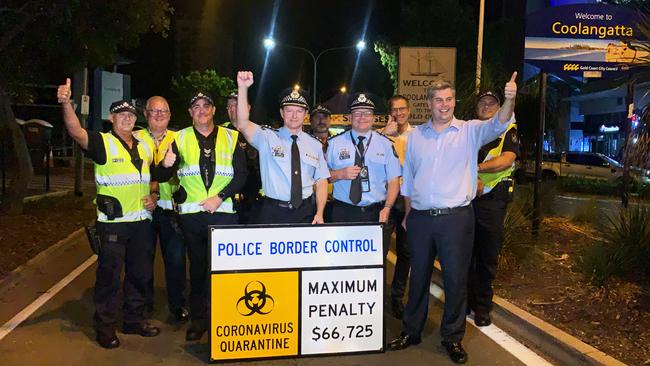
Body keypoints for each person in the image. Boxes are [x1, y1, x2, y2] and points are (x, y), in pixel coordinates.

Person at [388, 73, 518, 365]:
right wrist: (408, 214)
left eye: (448, 99)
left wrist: (509, 99)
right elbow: (408, 179)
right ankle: (412, 331)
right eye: (438, 100)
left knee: (456, 280)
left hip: (456, 219)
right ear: (430, 103)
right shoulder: (417, 135)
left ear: (454, 102)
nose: (444, 105)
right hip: (420, 218)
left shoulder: (470, 131)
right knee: (418, 276)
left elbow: (500, 123)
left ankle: (452, 338)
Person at [57, 79, 160, 349]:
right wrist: (67, 103)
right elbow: (75, 130)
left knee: (140, 275)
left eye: (130, 115)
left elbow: (153, 177)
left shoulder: (144, 145)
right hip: (113, 225)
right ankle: (105, 327)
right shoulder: (103, 143)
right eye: (121, 115)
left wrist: (155, 195)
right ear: (112, 118)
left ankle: (134, 320)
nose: (126, 119)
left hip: (141, 223)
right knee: (109, 278)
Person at [159, 92, 248, 341]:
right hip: (192, 217)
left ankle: (225, 320)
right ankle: (198, 322)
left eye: (205, 106)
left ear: (213, 110)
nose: (201, 110)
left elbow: (241, 175)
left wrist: (219, 197)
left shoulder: (231, 137)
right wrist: (166, 165)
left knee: (224, 272)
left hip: (224, 215)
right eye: (195, 106)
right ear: (190, 112)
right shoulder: (180, 138)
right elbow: (163, 175)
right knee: (197, 271)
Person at [233, 71, 329, 224]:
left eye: (299, 111)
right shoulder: (266, 137)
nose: (294, 115)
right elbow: (243, 123)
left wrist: (319, 213)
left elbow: (321, 180)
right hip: (273, 212)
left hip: (306, 213)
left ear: (305, 114)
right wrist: (243, 88)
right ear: (282, 113)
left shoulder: (315, 145)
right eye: (289, 110)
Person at [133, 96, 189, 322]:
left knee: (175, 261)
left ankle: (177, 305)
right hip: (142, 209)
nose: (159, 115)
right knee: (142, 260)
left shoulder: (180, 138)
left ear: (170, 115)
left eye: (163, 111)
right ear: (145, 114)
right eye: (154, 111)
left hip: (170, 210)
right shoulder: (135, 137)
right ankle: (143, 304)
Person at [327, 93, 400, 257]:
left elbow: (394, 181)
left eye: (367, 113)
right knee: (342, 262)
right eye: (357, 113)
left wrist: (387, 208)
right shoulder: (334, 143)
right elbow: (322, 178)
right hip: (343, 213)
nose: (362, 117)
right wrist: (339, 174)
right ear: (349, 117)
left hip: (375, 213)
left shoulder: (385, 144)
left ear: (373, 117)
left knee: (373, 264)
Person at [468, 90, 519, 327]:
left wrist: (476, 169)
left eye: (492, 103)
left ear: (500, 108)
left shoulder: (508, 129)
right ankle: (465, 301)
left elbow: (507, 159)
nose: (487, 106)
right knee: (465, 255)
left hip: (492, 203)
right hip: (466, 201)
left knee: (487, 256)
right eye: (483, 103)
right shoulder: (469, 130)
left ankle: (482, 307)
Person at [379, 95, 415, 319]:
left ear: (409, 111)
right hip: (386, 200)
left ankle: (397, 297)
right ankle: (377, 298)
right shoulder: (381, 136)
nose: (399, 114)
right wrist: (384, 135)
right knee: (379, 253)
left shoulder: (417, 136)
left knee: (405, 253)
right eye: (395, 110)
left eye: (403, 109)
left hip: (409, 200)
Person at [223, 92, 261, 224]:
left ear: (248, 108)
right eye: (229, 106)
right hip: (227, 198)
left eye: (237, 105)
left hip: (253, 197)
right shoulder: (220, 132)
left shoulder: (259, 132)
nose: (233, 109)